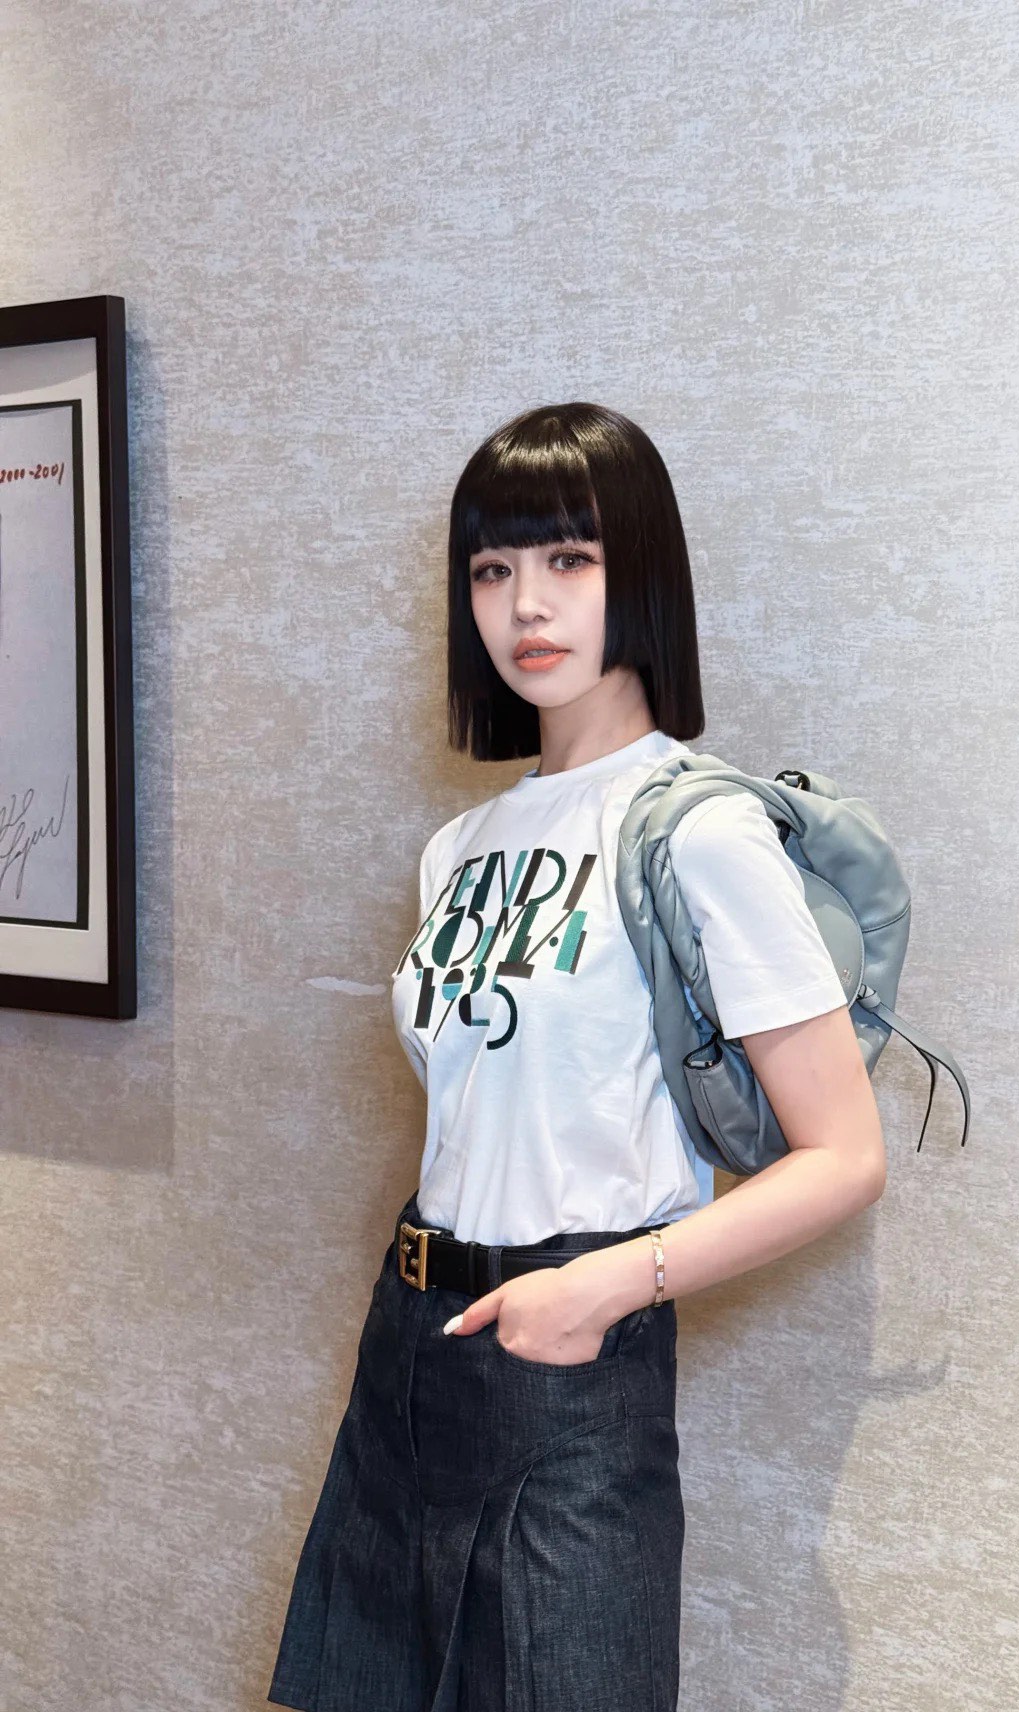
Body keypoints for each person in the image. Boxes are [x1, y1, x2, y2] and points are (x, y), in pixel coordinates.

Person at [266, 402, 888, 1712]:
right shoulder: (458, 849)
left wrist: (607, 1287)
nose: (525, 606)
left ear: (640, 574)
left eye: (569, 560)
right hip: (413, 1338)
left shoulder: (697, 828)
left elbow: (844, 1156)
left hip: (575, 1364)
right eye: (492, 570)